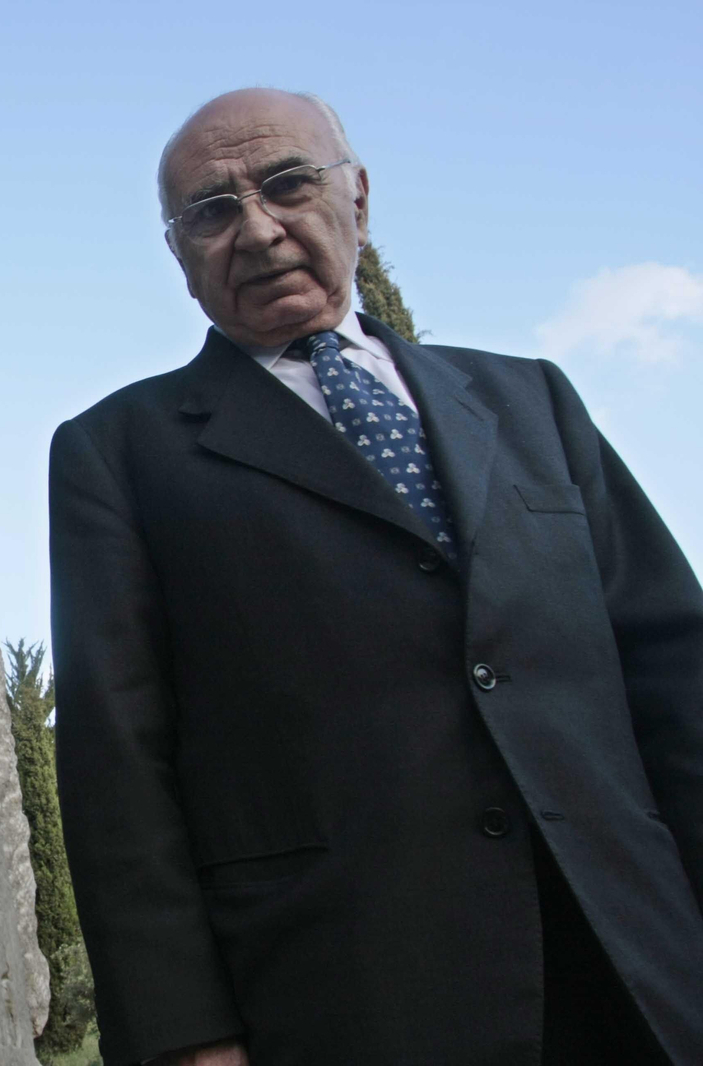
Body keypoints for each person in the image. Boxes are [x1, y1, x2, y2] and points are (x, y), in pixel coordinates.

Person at [47, 87, 703, 1066]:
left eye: (285, 185)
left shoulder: (532, 403)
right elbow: (118, 772)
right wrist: (186, 1036)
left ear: (357, 198)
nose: (258, 229)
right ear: (179, 258)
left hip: (634, 970)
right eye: (212, 212)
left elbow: (673, 675)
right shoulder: (118, 453)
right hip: (356, 996)